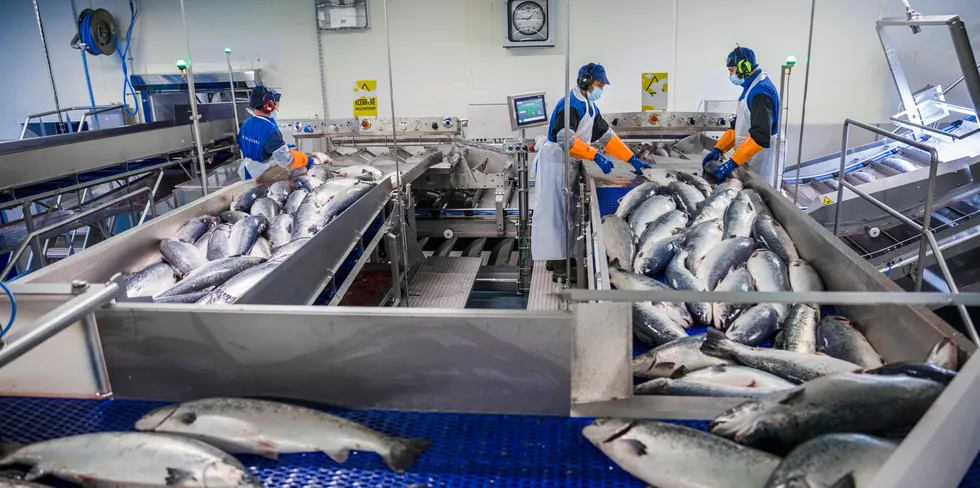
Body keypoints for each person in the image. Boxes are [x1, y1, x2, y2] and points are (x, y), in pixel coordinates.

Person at [532, 63, 652, 273]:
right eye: (599, 85)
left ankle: (558, 258)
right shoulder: (571, 105)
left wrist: (631, 158)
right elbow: (565, 139)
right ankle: (560, 264)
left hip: (569, 161)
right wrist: (595, 156)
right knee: (556, 212)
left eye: (603, 86)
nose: (601, 90)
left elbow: (607, 136)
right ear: (585, 81)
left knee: (565, 211)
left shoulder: (589, 106)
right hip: (556, 161)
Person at [702, 46, 780, 184]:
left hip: (761, 159)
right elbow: (737, 126)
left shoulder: (761, 92)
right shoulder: (750, 88)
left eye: (731, 70)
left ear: (744, 67)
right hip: (748, 156)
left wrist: (731, 163)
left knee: (759, 195)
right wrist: (719, 149)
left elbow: (760, 136)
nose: (730, 75)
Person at [236, 85, 314, 180]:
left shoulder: (246, 124)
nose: (277, 108)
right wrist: (305, 159)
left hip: (247, 169)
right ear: (269, 105)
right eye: (276, 104)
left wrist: (277, 147)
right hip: (261, 175)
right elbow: (285, 160)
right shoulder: (269, 129)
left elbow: (250, 145)